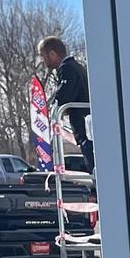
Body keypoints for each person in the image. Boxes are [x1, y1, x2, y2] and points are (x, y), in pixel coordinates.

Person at [36, 36, 94, 175]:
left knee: (94, 170)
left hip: (86, 131)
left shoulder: (67, 69)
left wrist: (56, 105)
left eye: (43, 57)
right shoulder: (76, 67)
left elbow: (63, 97)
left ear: (52, 54)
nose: (43, 61)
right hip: (86, 130)